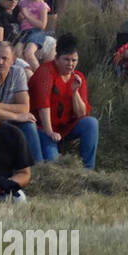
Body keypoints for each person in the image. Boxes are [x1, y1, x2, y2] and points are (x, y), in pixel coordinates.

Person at [30, 35, 98, 169]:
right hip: (43, 127)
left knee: (91, 123)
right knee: (54, 164)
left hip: (64, 128)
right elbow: (43, 105)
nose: (70, 64)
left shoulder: (78, 77)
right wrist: (49, 132)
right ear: (56, 59)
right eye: (66, 59)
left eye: (74, 60)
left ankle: (88, 169)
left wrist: (74, 92)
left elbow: (81, 113)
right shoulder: (46, 71)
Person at [0, 41, 43, 162]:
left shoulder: (18, 73)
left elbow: (24, 107)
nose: (0, 62)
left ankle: (38, 166)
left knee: (29, 122)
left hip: (7, 121)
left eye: (4, 58)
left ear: (13, 60)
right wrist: (16, 116)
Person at [13, 0, 53, 71]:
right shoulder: (23, 2)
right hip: (23, 32)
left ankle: (40, 77)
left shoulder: (42, 6)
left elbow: (42, 25)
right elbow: (20, 19)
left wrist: (27, 16)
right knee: (17, 52)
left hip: (36, 32)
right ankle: (27, 72)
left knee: (29, 52)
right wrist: (20, 17)